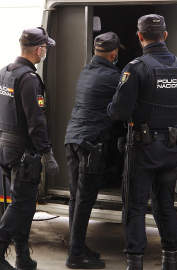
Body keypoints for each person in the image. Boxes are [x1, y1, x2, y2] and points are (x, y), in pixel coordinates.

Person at [107, 14, 177, 270]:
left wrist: (110, 106)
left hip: (142, 152)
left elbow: (118, 111)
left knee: (134, 207)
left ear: (140, 36)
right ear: (165, 36)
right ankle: (170, 261)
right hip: (170, 149)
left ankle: (135, 263)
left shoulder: (137, 68)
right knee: (165, 206)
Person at [0, 27, 59, 270]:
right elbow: (36, 122)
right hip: (23, 153)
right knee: (20, 205)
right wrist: (47, 153)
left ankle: (23, 257)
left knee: (23, 205)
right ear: (39, 50)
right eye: (45, 48)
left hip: (5, 147)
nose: (45, 51)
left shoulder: (4, 73)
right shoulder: (29, 79)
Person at [63, 32, 123, 269]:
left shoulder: (86, 71)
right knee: (85, 200)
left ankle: (77, 247)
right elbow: (120, 109)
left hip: (72, 140)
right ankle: (75, 256)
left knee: (76, 198)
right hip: (90, 145)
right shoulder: (112, 76)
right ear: (114, 53)